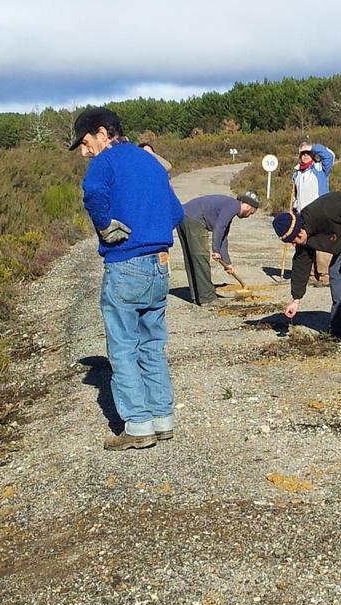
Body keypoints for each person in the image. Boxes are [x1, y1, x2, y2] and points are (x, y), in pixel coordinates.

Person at [69, 106, 184, 451]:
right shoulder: (151, 161)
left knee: (122, 348)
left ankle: (137, 426)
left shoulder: (105, 161)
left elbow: (92, 194)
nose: (86, 152)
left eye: (86, 143)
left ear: (103, 134)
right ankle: (163, 420)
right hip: (160, 266)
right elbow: (177, 212)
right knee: (152, 345)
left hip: (125, 264)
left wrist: (105, 226)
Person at [273, 191, 341, 342]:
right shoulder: (303, 239)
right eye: (291, 242)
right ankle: (339, 329)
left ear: (300, 230)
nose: (295, 244)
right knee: (337, 273)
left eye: (295, 239)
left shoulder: (324, 210)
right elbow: (301, 265)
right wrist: (296, 299)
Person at [178, 191, 260, 305]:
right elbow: (219, 227)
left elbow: (223, 237)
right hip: (194, 220)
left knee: (193, 259)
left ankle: (197, 296)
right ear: (247, 206)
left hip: (183, 216)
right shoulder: (233, 206)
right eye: (251, 213)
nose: (248, 216)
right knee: (201, 259)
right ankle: (208, 298)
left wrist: (227, 263)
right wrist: (215, 250)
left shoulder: (230, 206)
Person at [291, 142, 335, 285]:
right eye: (302, 154)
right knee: (306, 243)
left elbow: (329, 156)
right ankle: (310, 275)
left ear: (312, 155)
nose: (304, 156)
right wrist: (293, 210)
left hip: (320, 212)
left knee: (321, 244)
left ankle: (324, 275)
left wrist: (312, 147)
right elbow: (295, 195)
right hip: (303, 214)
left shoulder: (320, 168)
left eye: (307, 153)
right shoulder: (297, 173)